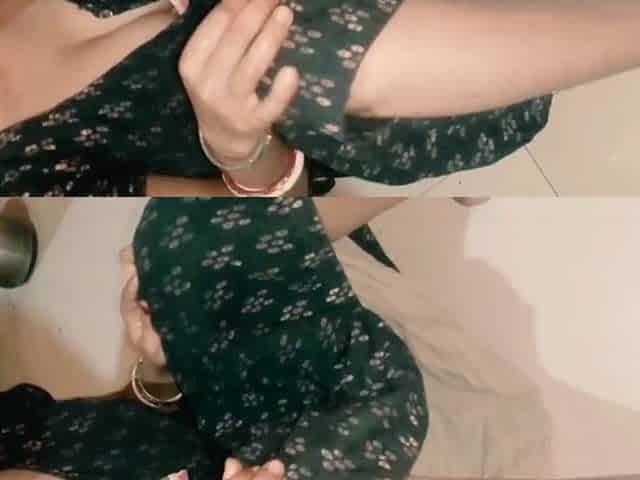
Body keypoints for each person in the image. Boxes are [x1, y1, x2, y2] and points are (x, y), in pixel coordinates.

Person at [1, 0, 638, 195]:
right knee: (299, 62)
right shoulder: (24, 167)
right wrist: (235, 143)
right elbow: (271, 209)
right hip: (383, 78)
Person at [0, 198, 429, 480]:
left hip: (223, 421)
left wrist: (161, 368)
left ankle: (403, 166)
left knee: (183, 236)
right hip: (305, 444)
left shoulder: (14, 433)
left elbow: (127, 430)